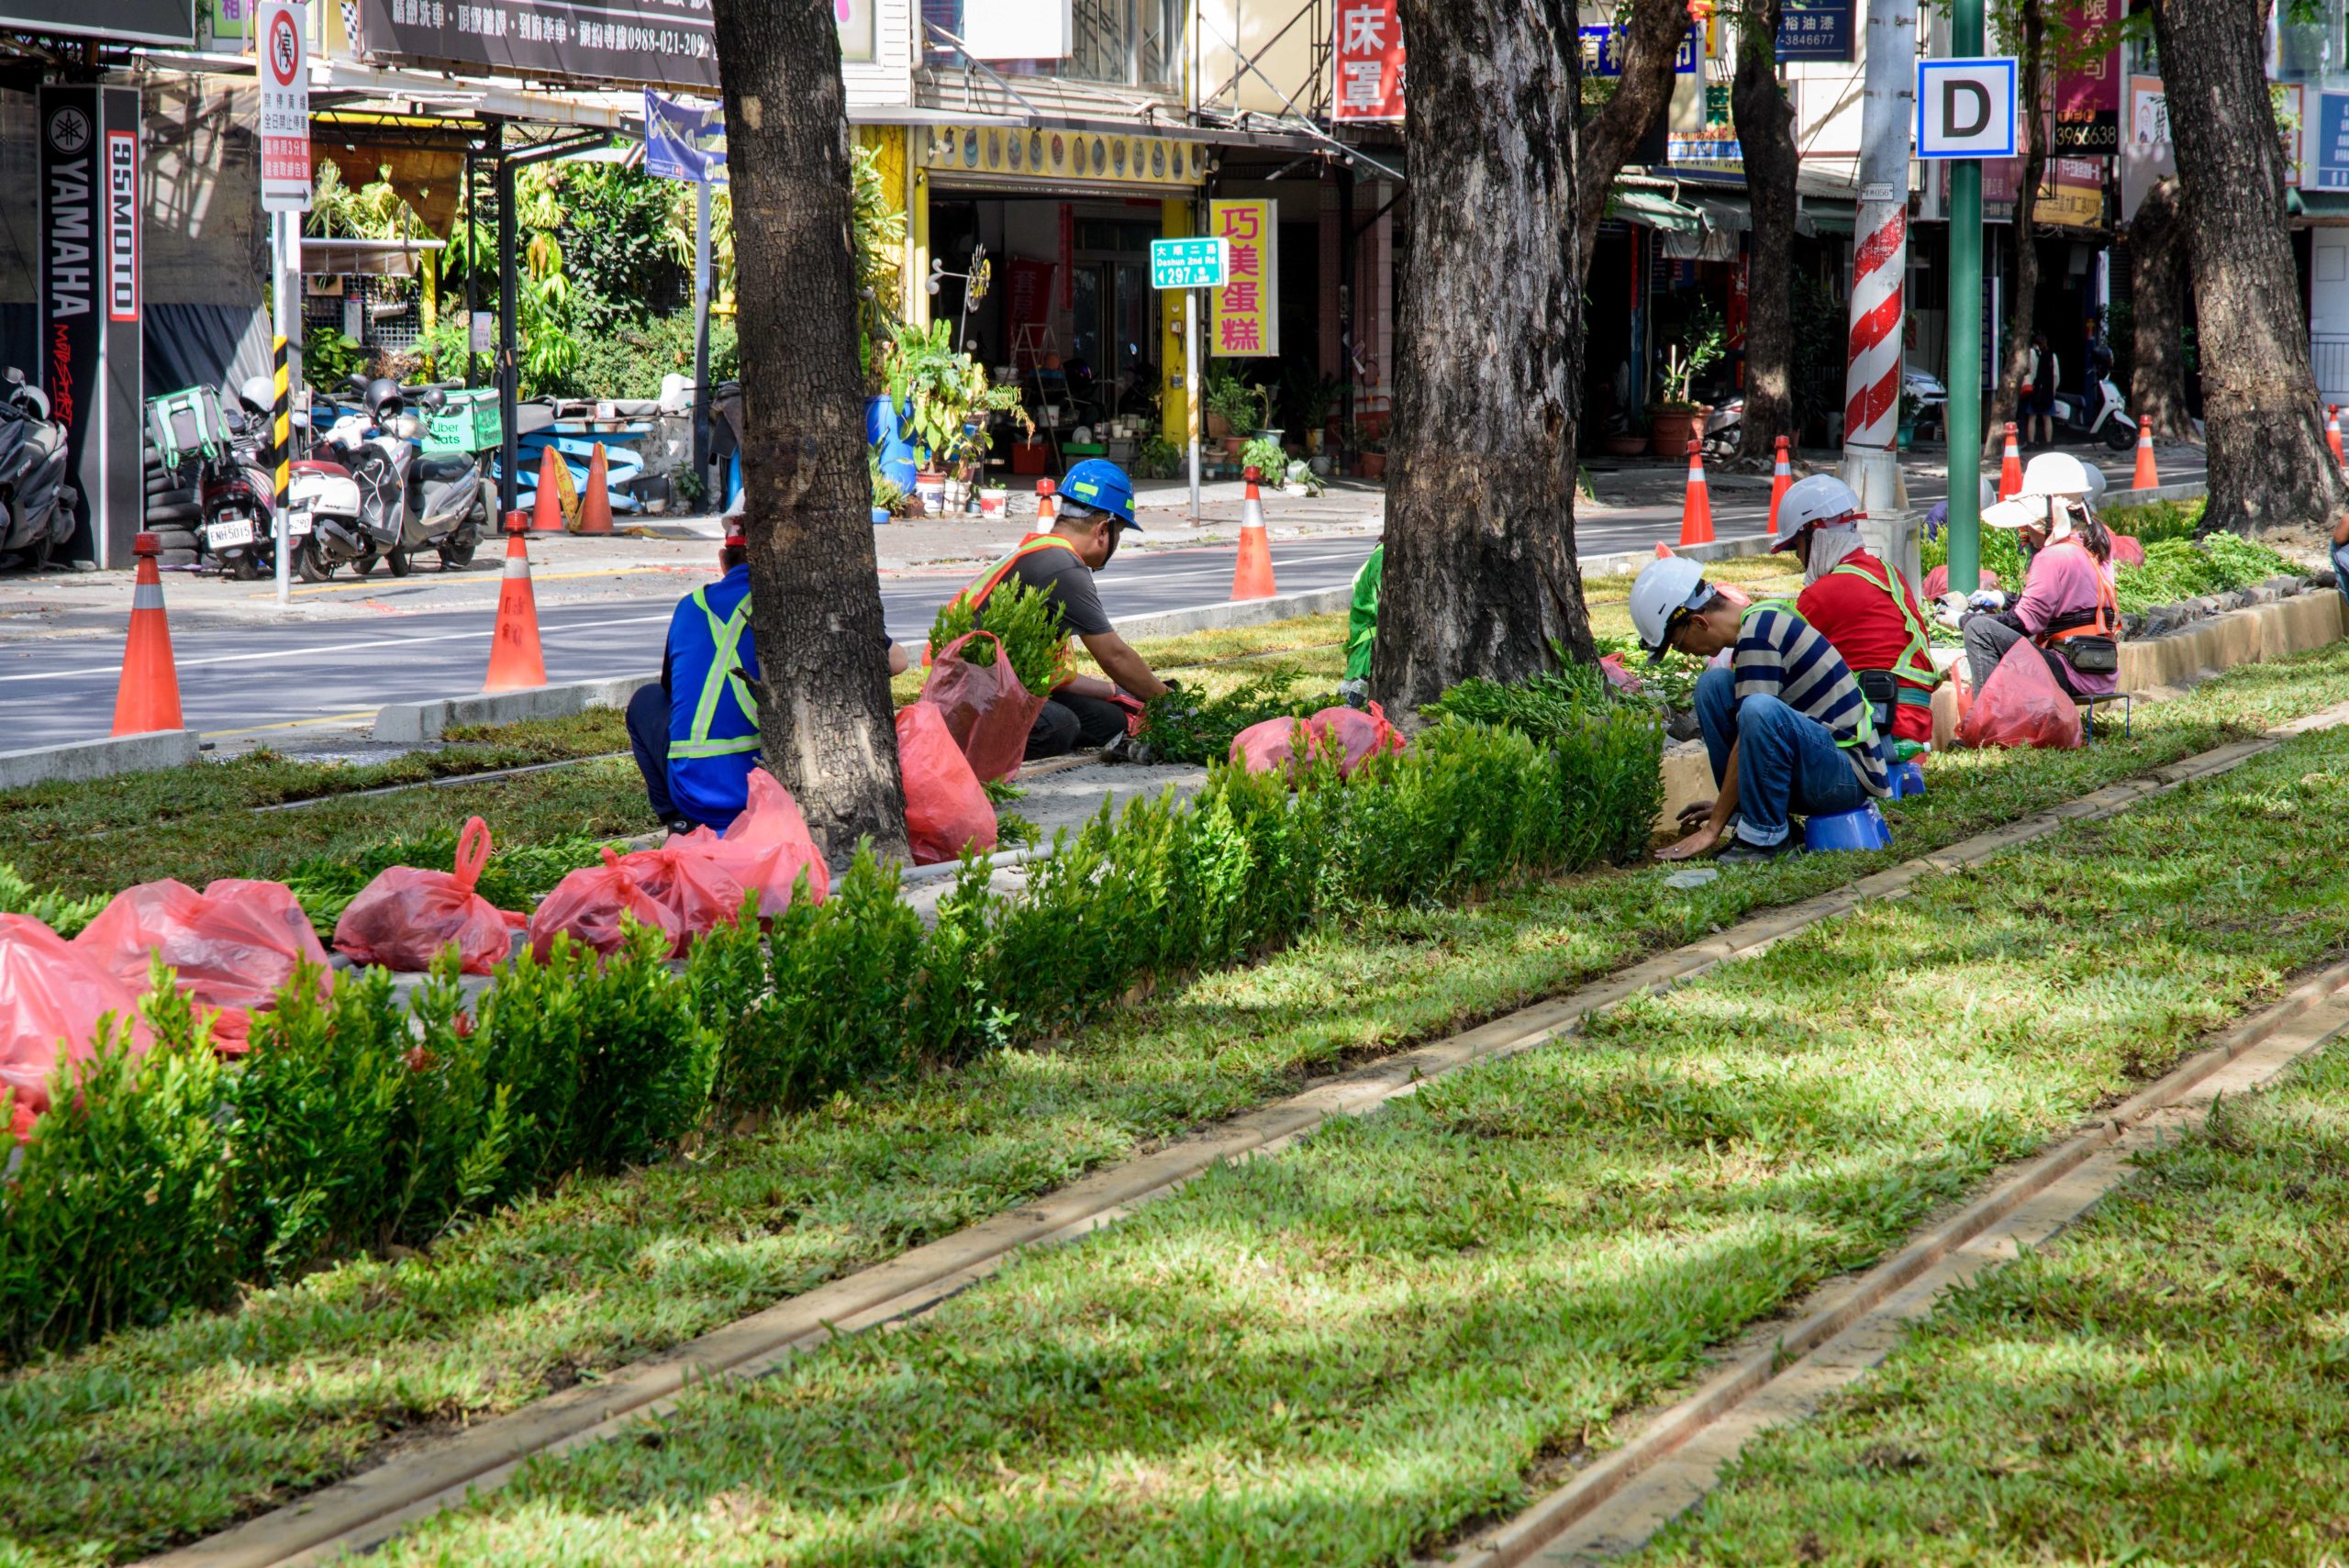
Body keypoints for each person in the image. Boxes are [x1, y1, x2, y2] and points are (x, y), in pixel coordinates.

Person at [625, 528, 908, 834]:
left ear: (723, 560)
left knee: (646, 700)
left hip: (694, 792)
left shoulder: (690, 607)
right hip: (774, 783)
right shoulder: (800, 604)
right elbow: (898, 662)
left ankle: (678, 822)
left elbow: (672, 692)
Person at [1632, 554, 1890, 866]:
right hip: (1822, 767)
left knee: (1757, 708)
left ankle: (1765, 838)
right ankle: (1753, 819)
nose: (1683, 651)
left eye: (1678, 643)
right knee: (1714, 686)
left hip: (1846, 778)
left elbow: (1750, 735)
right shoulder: (1755, 625)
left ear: (1699, 622)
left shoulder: (1759, 635)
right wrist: (1724, 808)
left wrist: (1713, 828)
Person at [945, 458, 1172, 758]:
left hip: (998, 687)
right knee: (1059, 726)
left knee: (1111, 720)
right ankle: (968, 745)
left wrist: (1117, 693)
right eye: (1120, 534)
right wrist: (1168, 702)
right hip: (969, 697)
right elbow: (1115, 656)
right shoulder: (1062, 568)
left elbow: (1047, 676)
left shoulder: (1047, 553)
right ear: (1104, 530)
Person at [1771, 474, 1941, 749]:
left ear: (1815, 533)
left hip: (1875, 732)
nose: (1800, 560)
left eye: (1796, 548)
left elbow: (1777, 662)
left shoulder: (1823, 594)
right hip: (1914, 725)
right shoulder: (1888, 572)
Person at [1961, 451, 2120, 703]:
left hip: (2072, 673)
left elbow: (2025, 623)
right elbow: (2063, 606)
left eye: (2026, 526)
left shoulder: (2052, 556)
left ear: (2045, 520)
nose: (2024, 533)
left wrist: (1962, 619)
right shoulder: (2093, 546)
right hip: (2099, 671)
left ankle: (1988, 722)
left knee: (1979, 629)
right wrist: (2002, 598)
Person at [1339, 542, 1384, 706]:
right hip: (1370, 651)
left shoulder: (1381, 553)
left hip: (1367, 645)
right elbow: (1383, 605)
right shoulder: (1383, 558)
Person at [2024, 331, 2057, 447]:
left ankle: (2031, 443)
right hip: (2047, 391)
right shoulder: (2052, 355)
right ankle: (2049, 443)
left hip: (2034, 389)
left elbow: (2028, 371)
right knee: (2047, 418)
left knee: (2032, 417)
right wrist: (2053, 390)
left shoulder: (2030, 353)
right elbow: (2056, 375)